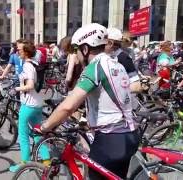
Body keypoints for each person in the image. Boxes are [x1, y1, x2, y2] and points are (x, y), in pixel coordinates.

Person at [35, 23, 140, 179]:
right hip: (130, 134)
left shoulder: (94, 68)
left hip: (110, 139)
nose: (76, 55)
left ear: (85, 49)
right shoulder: (117, 64)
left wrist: (45, 127)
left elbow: (68, 106)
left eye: (77, 50)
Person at [9, 40, 50, 172]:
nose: (17, 52)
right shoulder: (35, 63)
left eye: (19, 50)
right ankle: (46, 160)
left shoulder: (27, 65)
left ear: (26, 52)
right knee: (37, 133)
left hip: (28, 104)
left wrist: (16, 89)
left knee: (23, 135)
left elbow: (30, 85)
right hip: (37, 103)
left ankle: (25, 164)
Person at [105, 28, 141, 93]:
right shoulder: (105, 57)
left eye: (103, 42)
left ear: (110, 43)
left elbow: (136, 86)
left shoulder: (124, 58)